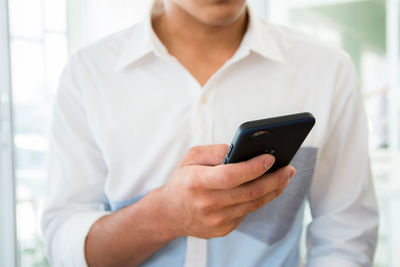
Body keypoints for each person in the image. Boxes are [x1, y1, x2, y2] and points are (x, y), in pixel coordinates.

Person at [41, 0, 379, 266]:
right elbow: (65, 245)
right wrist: (165, 216)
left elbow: (345, 236)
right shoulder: (88, 75)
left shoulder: (327, 70)